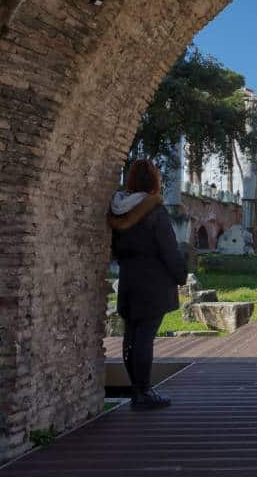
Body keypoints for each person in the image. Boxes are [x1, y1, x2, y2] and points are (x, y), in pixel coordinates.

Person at [108, 159, 186, 410]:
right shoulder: (154, 210)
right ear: (154, 181)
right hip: (153, 281)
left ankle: (136, 388)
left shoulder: (118, 208)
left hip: (129, 278)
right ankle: (144, 392)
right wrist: (180, 274)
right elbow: (168, 248)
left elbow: (115, 247)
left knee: (130, 336)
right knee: (144, 338)